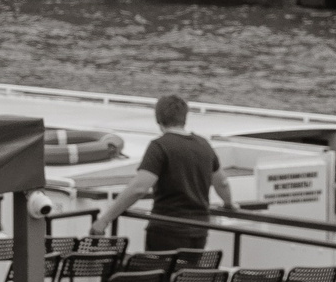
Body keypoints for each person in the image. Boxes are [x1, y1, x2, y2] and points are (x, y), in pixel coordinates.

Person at [95, 94, 238, 253]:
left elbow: (139, 188)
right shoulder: (204, 145)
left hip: (166, 230)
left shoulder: (159, 146)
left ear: (158, 119)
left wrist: (105, 219)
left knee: (160, 269)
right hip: (199, 231)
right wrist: (229, 204)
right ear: (185, 117)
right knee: (188, 269)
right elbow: (222, 182)